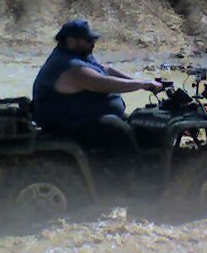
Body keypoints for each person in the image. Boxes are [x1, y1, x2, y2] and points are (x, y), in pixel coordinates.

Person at [32, 18, 162, 154]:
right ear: (71, 41)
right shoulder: (68, 65)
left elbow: (105, 69)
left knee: (143, 122)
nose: (93, 43)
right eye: (88, 40)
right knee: (117, 131)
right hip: (70, 123)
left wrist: (144, 82)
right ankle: (129, 174)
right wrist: (140, 84)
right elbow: (101, 83)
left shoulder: (79, 55)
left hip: (85, 118)